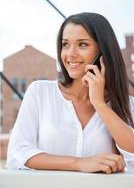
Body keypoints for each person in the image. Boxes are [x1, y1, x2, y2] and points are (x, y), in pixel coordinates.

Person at [6, 12, 134, 174]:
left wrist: (100, 104)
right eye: (65, 44)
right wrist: (79, 163)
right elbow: (18, 153)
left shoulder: (126, 103)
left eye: (82, 45)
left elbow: (132, 157)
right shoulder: (40, 92)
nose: (70, 54)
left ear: (102, 52)